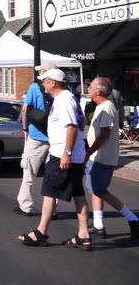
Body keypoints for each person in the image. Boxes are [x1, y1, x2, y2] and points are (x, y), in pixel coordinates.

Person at [18, 68, 90, 250]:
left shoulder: (63, 100)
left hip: (62, 155)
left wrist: (67, 152)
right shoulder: (65, 98)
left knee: (49, 192)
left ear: (53, 83)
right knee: (78, 194)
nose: (42, 84)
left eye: (44, 81)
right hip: (72, 154)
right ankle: (84, 235)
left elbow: (72, 127)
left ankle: (40, 232)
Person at [84, 77, 139, 241]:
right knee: (95, 189)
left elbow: (104, 135)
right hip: (98, 156)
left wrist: (88, 152)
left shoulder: (106, 108)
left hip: (102, 157)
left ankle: (133, 219)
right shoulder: (101, 106)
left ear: (98, 91)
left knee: (100, 190)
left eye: (91, 86)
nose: (88, 89)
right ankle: (99, 225)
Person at [14, 65, 52, 217]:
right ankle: (51, 209)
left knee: (29, 173)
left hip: (36, 136)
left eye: (42, 71)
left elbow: (25, 109)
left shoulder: (35, 87)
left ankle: (26, 206)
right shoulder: (66, 89)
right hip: (55, 139)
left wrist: (25, 130)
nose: (39, 73)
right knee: (52, 175)